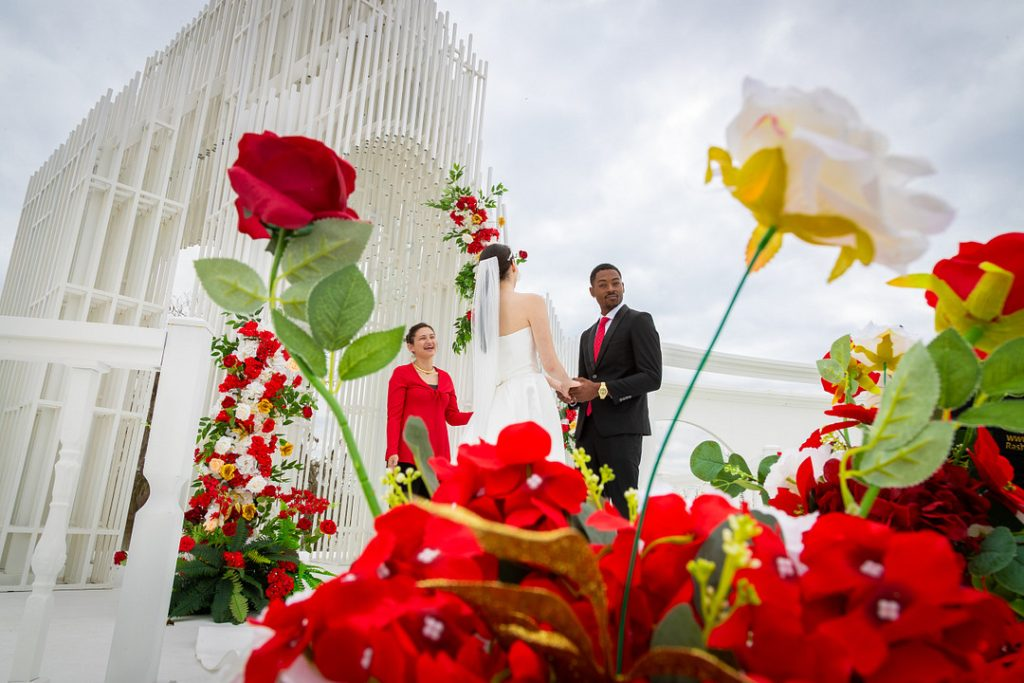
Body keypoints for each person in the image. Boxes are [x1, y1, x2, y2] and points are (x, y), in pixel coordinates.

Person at [460, 243, 577, 460]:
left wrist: (555, 384)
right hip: (529, 395)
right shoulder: (531, 302)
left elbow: (508, 365)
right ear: (513, 266)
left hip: (498, 399)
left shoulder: (482, 315)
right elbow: (548, 361)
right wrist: (568, 383)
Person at [569, 263, 662, 516]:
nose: (611, 288)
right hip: (587, 434)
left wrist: (600, 389)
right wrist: (572, 395)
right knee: (588, 512)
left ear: (623, 286)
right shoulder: (587, 335)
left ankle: (626, 555)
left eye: (616, 282)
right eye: (603, 284)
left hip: (623, 431)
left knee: (623, 511)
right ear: (592, 292)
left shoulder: (639, 321)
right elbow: (586, 383)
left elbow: (652, 377)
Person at [385, 323, 472, 497]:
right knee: (404, 513)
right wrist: (392, 451)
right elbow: (394, 416)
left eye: (432, 336)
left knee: (433, 514)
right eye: (422, 338)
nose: (429, 341)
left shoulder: (446, 378)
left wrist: (482, 412)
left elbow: (453, 417)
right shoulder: (401, 374)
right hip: (408, 454)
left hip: (437, 457)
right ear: (411, 347)